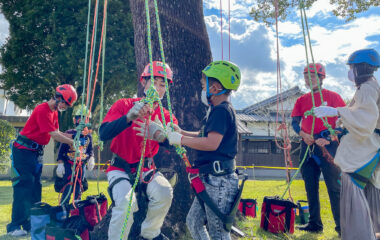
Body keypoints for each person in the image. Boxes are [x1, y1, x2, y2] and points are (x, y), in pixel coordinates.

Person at [99, 61, 177, 240]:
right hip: (119, 167)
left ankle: (149, 234)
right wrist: (128, 118)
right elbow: (103, 133)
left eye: (162, 84)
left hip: (147, 168)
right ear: (143, 83)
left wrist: (161, 136)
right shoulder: (124, 104)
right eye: (154, 82)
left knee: (165, 193)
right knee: (126, 204)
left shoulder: (166, 116)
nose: (157, 88)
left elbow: (175, 143)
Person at [164, 60, 241, 240]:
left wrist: (181, 140)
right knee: (194, 222)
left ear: (214, 88)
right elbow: (204, 134)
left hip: (220, 180)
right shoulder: (217, 110)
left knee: (218, 231)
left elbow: (211, 143)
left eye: (203, 84)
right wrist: (182, 132)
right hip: (211, 178)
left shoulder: (222, 111)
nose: (202, 89)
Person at [314, 49, 380, 240]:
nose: (350, 71)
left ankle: (359, 235)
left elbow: (365, 120)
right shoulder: (369, 87)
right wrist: (339, 129)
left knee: (353, 190)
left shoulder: (367, 88)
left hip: (361, 151)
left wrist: (336, 111)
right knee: (368, 192)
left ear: (360, 68)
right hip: (367, 146)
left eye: (352, 67)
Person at [7, 84, 77, 237]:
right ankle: (13, 226)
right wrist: (72, 143)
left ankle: (31, 223)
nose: (65, 107)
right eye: (66, 103)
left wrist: (75, 135)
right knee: (23, 187)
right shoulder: (42, 110)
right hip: (23, 151)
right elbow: (54, 135)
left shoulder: (54, 112)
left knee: (35, 189)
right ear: (59, 98)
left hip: (35, 153)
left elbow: (58, 132)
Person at [291, 63, 345, 234]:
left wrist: (328, 138)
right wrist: (302, 134)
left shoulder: (334, 97)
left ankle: (341, 227)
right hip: (307, 145)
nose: (309, 79)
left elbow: (344, 123)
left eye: (313, 76)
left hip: (328, 147)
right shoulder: (301, 100)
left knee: (334, 187)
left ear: (322, 78)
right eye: (306, 76)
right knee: (310, 186)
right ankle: (315, 223)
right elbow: (294, 121)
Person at [55, 104, 95, 204]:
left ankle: (76, 212)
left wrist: (91, 158)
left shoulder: (88, 136)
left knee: (78, 190)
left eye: (84, 119)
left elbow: (90, 150)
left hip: (81, 166)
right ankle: (63, 210)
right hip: (69, 165)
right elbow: (61, 151)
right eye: (79, 118)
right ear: (75, 120)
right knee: (67, 189)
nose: (81, 121)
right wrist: (60, 164)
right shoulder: (69, 133)